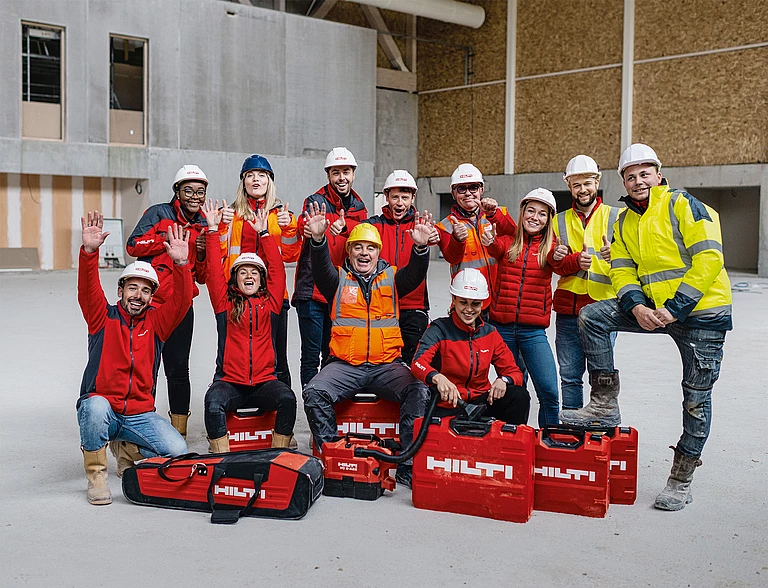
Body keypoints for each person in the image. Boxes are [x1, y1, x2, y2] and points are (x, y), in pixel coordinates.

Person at [560, 144, 732, 511]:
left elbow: (709, 258)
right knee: (592, 316)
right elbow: (621, 269)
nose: (638, 181)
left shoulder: (684, 205)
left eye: (644, 173)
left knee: (695, 400)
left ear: (658, 174)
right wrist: (635, 306)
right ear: (622, 179)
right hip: (652, 309)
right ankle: (605, 404)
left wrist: (673, 309)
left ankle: (681, 479)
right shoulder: (623, 220)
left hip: (701, 314)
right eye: (630, 175)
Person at [302, 202, 433, 488]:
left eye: (370, 248)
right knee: (314, 393)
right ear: (348, 251)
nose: (364, 253)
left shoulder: (393, 278)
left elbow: (415, 274)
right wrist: (318, 239)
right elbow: (321, 266)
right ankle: (332, 458)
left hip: (386, 366)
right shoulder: (336, 280)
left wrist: (421, 248)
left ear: (378, 252)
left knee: (419, 390)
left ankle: (408, 464)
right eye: (358, 247)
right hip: (345, 366)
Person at [77, 212, 190, 505]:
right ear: (121, 291)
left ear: (152, 297)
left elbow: (181, 300)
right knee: (95, 406)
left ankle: (127, 448)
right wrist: (90, 253)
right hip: (105, 408)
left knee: (178, 451)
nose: (138, 295)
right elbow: (87, 292)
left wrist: (180, 264)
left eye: (145, 290)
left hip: (139, 415)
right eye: (132, 287)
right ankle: (97, 476)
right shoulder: (102, 318)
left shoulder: (157, 324)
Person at [201, 201, 297, 452]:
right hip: (230, 382)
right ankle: (221, 457)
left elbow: (278, 270)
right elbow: (212, 272)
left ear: (261, 279)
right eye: (243, 272)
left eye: (254, 272)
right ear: (235, 278)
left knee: (287, 399)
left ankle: (279, 454)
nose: (249, 276)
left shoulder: (272, 302)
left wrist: (264, 233)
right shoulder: (224, 304)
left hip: (265, 382)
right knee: (213, 402)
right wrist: (212, 231)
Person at [126, 165, 209, 439]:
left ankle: (178, 435)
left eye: (200, 191)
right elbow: (133, 245)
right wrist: (166, 241)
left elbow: (204, 276)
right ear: (177, 192)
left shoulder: (204, 224)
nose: (195, 196)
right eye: (188, 190)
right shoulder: (158, 213)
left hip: (182, 307)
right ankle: (140, 429)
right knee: (145, 369)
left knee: (178, 370)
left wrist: (204, 251)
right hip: (151, 307)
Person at [218, 155, 300, 387]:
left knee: (278, 358)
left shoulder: (280, 215)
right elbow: (220, 252)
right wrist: (220, 225)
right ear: (243, 182)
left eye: (261, 175)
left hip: (273, 297)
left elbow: (291, 255)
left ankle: (282, 413)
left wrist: (289, 227)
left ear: (269, 181)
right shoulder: (231, 214)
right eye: (250, 175)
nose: (256, 180)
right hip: (235, 296)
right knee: (233, 356)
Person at [482, 188, 560, 426]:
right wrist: (490, 240)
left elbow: (563, 264)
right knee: (516, 390)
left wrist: (576, 260)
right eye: (531, 211)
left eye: (542, 214)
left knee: (549, 390)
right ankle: (518, 438)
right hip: (502, 329)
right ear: (523, 212)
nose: (535, 217)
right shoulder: (508, 242)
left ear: (548, 220)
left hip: (533, 332)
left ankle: (550, 439)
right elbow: (496, 246)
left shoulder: (551, 248)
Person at [411, 269, 529, 424]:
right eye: (463, 302)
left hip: (481, 404)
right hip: (449, 405)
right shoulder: (438, 329)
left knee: (519, 395)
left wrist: (505, 380)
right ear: (453, 300)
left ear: (482, 303)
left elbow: (515, 372)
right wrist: (438, 378)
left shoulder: (490, 333)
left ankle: (511, 445)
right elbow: (417, 364)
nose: (469, 309)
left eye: (475, 304)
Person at [548, 155, 619, 411]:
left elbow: (634, 264)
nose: (582, 190)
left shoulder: (617, 217)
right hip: (568, 310)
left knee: (602, 376)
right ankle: (571, 427)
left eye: (587, 183)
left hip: (604, 310)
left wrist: (617, 258)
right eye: (576, 185)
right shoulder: (558, 221)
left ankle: (600, 424)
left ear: (597, 181)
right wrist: (569, 261)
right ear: (569, 187)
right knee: (569, 376)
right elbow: (554, 266)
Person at [293, 147, 368, 388]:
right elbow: (304, 225)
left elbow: (363, 240)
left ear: (353, 174)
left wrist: (345, 229)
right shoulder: (315, 202)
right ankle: (312, 404)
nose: (341, 178)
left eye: (346, 172)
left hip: (341, 293)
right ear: (328, 176)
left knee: (334, 355)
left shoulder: (359, 207)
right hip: (312, 293)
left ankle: (325, 400)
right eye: (336, 172)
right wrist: (324, 228)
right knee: (310, 357)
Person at [363, 169, 439, 364]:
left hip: (414, 307)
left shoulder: (422, 226)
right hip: (381, 306)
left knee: (414, 362)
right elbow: (355, 236)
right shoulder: (373, 225)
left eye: (405, 197)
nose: (399, 203)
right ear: (386, 196)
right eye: (395, 196)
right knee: (382, 362)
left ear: (413, 197)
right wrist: (342, 229)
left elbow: (445, 240)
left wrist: (438, 236)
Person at [435, 163, 512, 309]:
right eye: (461, 188)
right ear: (453, 193)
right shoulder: (446, 225)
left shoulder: (499, 214)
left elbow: (514, 235)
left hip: (501, 298)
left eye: (473, 187)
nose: (468, 193)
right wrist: (457, 239)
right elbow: (451, 257)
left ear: (481, 189)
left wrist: (493, 214)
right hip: (469, 302)